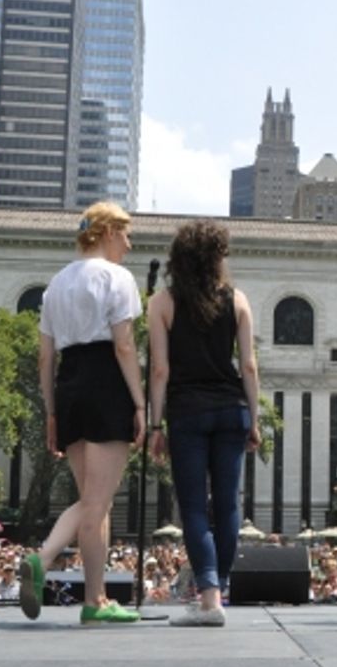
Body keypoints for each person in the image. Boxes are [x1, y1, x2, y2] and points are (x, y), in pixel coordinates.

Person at [19, 201, 145, 625]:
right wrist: (142, 403)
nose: (128, 245)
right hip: (106, 381)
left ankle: (96, 599)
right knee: (97, 500)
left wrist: (52, 412)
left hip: (69, 383)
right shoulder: (118, 278)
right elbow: (125, 345)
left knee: (96, 506)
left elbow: (44, 357)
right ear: (108, 232)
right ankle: (43, 557)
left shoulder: (56, 283)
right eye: (125, 234)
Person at [148, 219, 261, 627]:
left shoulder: (162, 303)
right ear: (217, 259)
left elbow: (160, 370)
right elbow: (248, 365)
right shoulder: (238, 300)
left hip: (187, 412)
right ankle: (221, 589)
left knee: (194, 506)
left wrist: (155, 426)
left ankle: (209, 597)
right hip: (232, 408)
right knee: (228, 502)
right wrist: (256, 419)